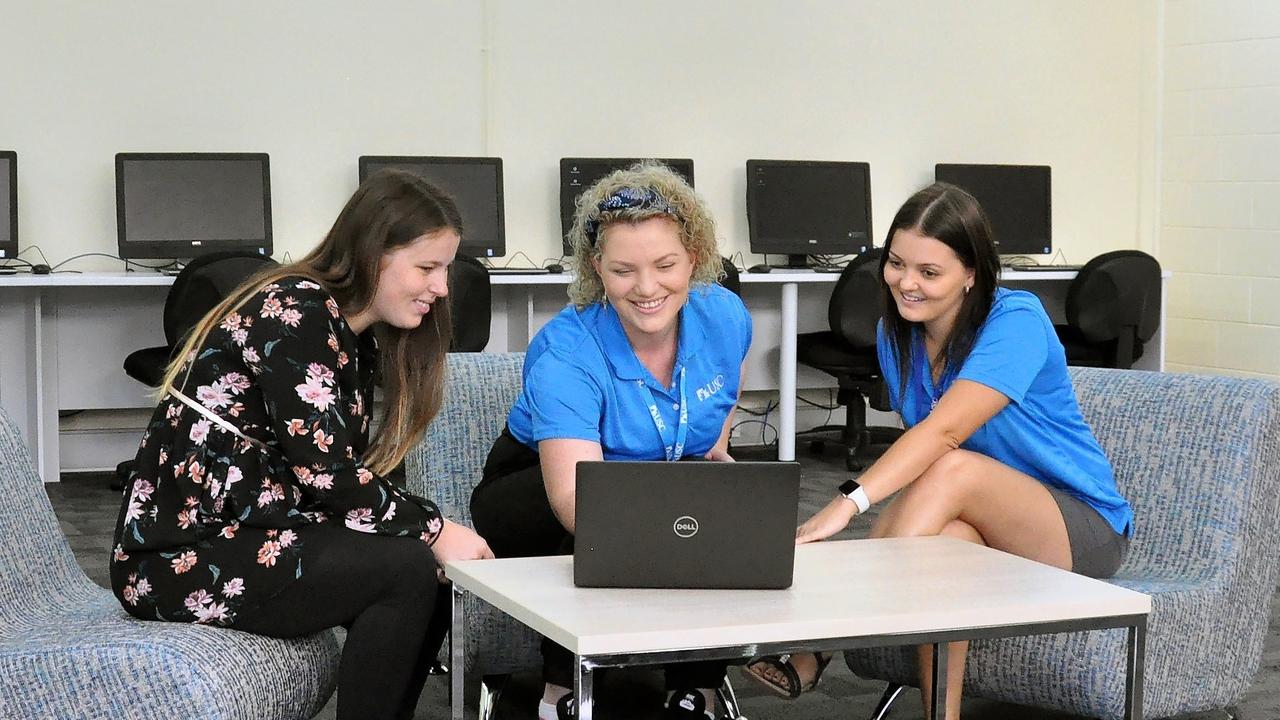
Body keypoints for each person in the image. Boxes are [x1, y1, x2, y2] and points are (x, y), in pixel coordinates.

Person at [109, 169, 494, 720]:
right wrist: (434, 526)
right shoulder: (298, 311)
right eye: (427, 268)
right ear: (372, 254)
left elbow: (314, 479)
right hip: (172, 559)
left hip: (247, 530)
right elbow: (327, 476)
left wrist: (425, 534)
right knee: (407, 566)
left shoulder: (346, 333)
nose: (442, 288)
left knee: (420, 565)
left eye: (445, 269)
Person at [742, 183, 1133, 720]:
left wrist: (846, 503)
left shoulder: (1015, 320)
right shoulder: (895, 334)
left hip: (1077, 527)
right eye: (897, 264)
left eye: (930, 273)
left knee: (954, 466)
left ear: (971, 272)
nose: (907, 283)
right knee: (942, 552)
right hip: (978, 516)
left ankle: (821, 637)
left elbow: (943, 436)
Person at [469, 162, 751, 720]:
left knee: (714, 504)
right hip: (541, 487)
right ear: (597, 268)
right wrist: (680, 531)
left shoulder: (725, 314)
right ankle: (563, 691)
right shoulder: (566, 351)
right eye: (624, 271)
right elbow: (579, 504)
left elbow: (724, 385)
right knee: (613, 531)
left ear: (694, 257)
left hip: (657, 471)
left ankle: (697, 690)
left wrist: (713, 453)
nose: (647, 289)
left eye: (665, 265)